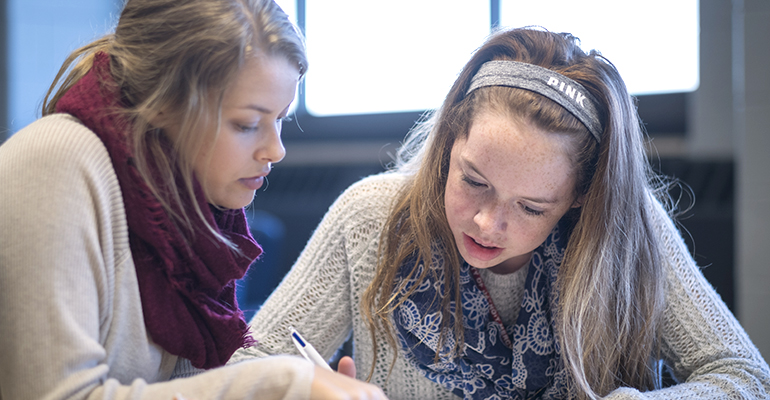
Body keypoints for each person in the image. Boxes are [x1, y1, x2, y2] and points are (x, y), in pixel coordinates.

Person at [231, 27, 770, 399]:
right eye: (474, 181)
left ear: (581, 195)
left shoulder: (627, 229)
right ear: (448, 144)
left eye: (532, 207)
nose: (487, 223)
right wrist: (305, 388)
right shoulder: (371, 217)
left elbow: (744, 376)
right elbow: (246, 367)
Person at [0, 0, 387, 399]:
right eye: (248, 124)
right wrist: (279, 384)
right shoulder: (55, 161)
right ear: (164, 104)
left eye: (281, 119)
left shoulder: (186, 209)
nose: (276, 150)